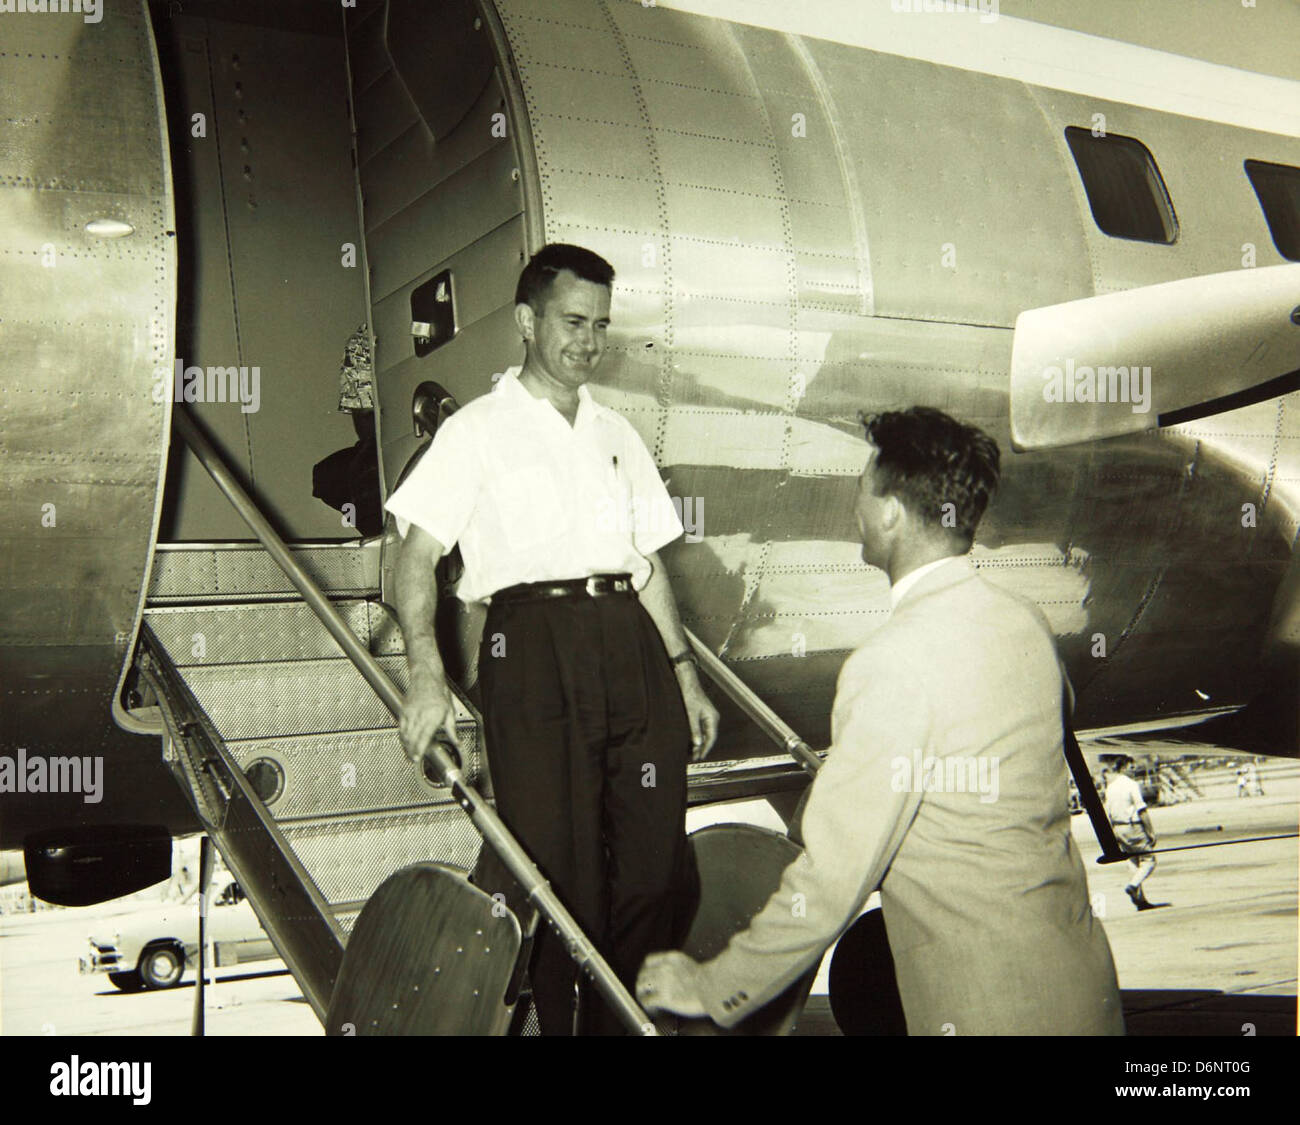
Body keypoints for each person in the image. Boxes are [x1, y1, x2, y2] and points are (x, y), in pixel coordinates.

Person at [636, 407, 1124, 1035]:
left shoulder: (889, 661)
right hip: (1079, 988)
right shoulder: (1024, 623)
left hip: (984, 1008)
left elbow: (833, 882)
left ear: (891, 512)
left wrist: (713, 984)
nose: (855, 507)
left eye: (862, 489)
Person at [385, 243, 719, 1035]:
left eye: (602, 324)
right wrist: (425, 677)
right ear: (527, 321)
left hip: (630, 645)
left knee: (655, 871)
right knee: (558, 877)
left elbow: (648, 569)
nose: (589, 340)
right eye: (574, 320)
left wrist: (686, 676)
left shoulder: (617, 433)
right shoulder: (475, 432)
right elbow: (416, 559)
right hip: (530, 650)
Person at [1105, 755, 1159, 910]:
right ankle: (1133, 885)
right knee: (1149, 860)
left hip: (1118, 828)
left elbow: (1108, 812)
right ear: (1122, 768)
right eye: (1131, 767)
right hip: (1133, 826)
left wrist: (1111, 834)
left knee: (1133, 861)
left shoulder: (1111, 787)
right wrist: (1150, 831)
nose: (1134, 770)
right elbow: (1141, 810)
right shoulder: (1131, 785)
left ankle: (1140, 900)